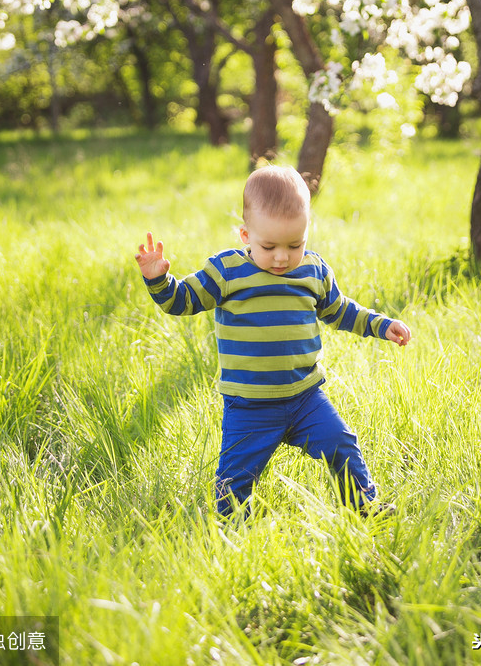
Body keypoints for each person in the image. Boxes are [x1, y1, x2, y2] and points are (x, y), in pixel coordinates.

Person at [135, 164, 411, 517]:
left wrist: (380, 325)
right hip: (249, 405)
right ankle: (232, 526)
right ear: (245, 235)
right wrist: (159, 280)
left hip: (306, 398)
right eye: (269, 246)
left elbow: (339, 310)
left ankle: (365, 507)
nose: (282, 256)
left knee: (342, 444)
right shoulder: (227, 272)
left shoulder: (312, 270)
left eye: (295, 244)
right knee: (234, 479)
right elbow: (182, 301)